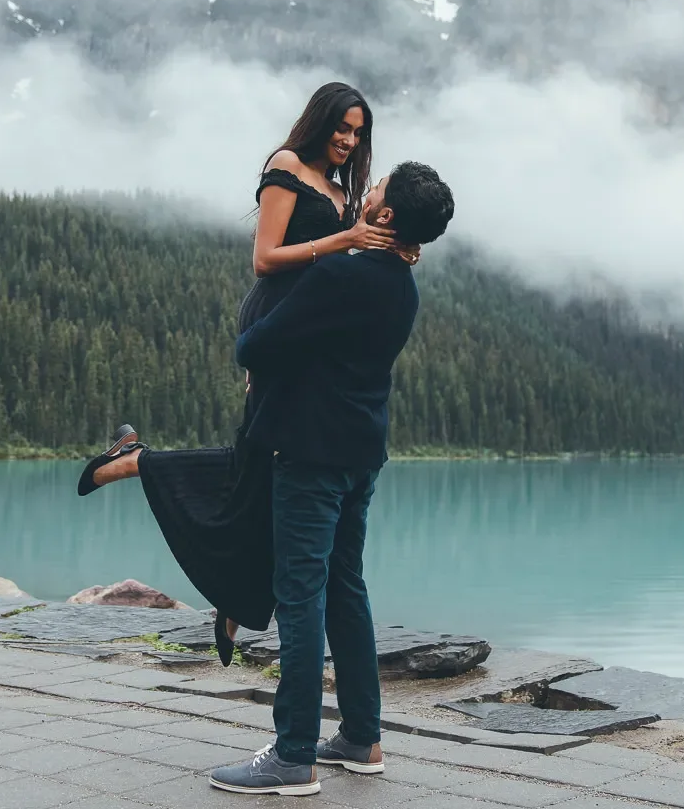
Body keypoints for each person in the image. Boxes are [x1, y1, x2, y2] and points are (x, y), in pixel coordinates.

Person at [76, 83, 412, 664]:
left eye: (359, 133)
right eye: (342, 126)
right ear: (321, 121)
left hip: (306, 330)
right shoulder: (287, 166)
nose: (349, 140)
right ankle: (137, 465)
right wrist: (347, 239)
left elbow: (346, 257)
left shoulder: (341, 189)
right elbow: (265, 258)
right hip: (275, 319)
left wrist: (392, 247)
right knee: (255, 462)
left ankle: (229, 597)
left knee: (259, 466)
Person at [206, 161, 455, 795]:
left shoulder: (341, 274)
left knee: (301, 595)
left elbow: (253, 347)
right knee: (346, 586)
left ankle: (292, 756)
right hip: (361, 453)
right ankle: (361, 737)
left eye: (375, 190)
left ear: (388, 215)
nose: (364, 194)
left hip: (310, 454)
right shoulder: (403, 282)